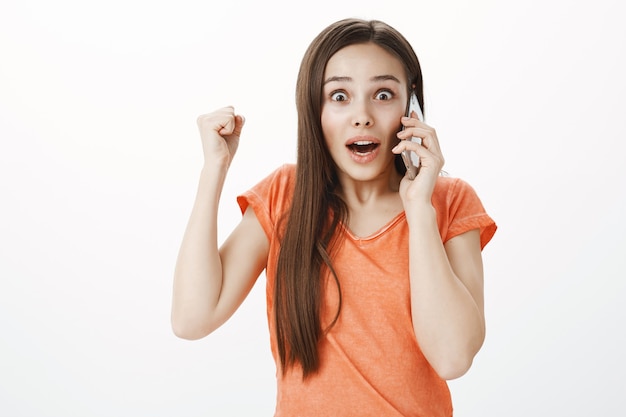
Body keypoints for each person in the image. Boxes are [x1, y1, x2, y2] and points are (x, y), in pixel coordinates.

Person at [171, 18, 497, 417]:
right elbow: (192, 318)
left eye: (382, 94)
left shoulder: (450, 201)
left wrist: (420, 210)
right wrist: (213, 170)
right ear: (314, 108)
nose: (362, 116)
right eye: (340, 96)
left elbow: (452, 358)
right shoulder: (284, 195)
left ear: (411, 107)